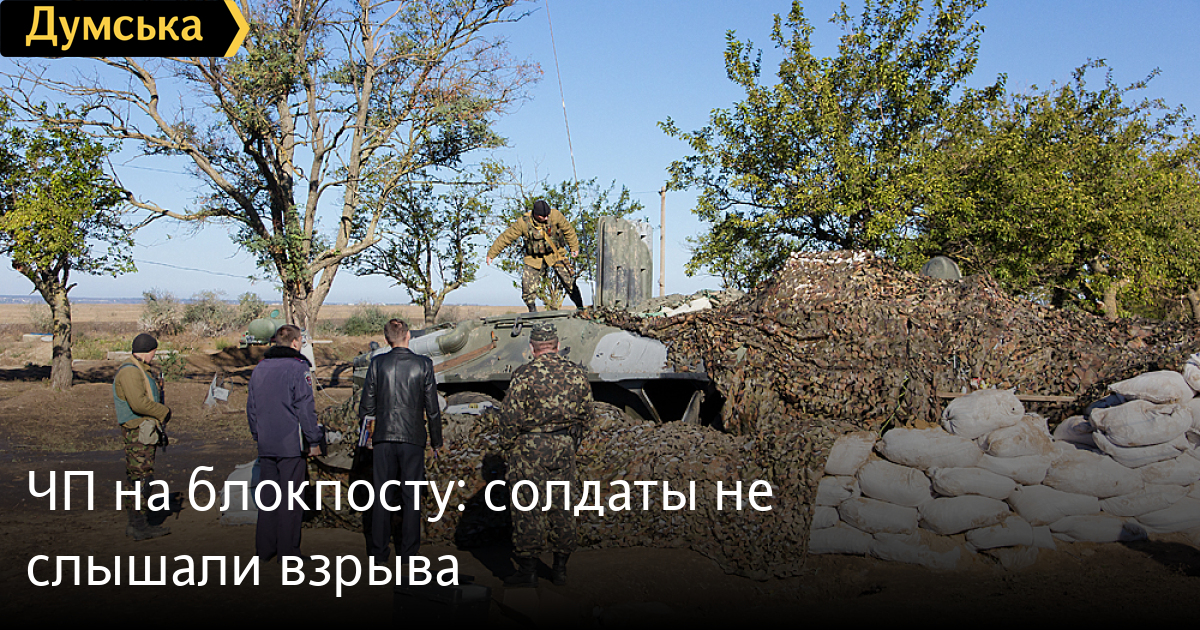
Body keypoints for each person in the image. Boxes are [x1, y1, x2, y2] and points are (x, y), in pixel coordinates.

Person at [499, 323, 593, 587]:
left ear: (532, 348)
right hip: (563, 446)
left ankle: (528, 571)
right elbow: (588, 414)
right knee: (562, 506)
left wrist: (507, 446)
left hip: (529, 448)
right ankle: (560, 568)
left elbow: (510, 418)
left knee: (527, 507)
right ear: (557, 345)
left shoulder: (523, 374)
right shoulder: (576, 373)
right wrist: (572, 441)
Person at [358, 319, 443, 566]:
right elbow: (432, 408)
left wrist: (368, 438)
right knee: (411, 496)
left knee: (382, 495)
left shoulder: (377, 363)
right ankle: (408, 553)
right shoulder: (423, 364)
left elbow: (367, 407)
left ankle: (378, 552)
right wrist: (436, 442)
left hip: (383, 437)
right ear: (408, 336)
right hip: (412, 437)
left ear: (386, 339)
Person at [247, 324, 323, 562]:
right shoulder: (298, 368)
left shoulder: (260, 368)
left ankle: (265, 549)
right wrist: (314, 439)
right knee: (291, 499)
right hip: (290, 444)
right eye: (300, 341)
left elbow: (251, 407)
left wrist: (257, 435)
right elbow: (305, 407)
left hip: (266, 443)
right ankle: (288, 552)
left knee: (268, 498)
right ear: (295, 342)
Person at [113, 332, 172, 540]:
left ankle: (137, 523)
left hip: (143, 431)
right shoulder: (130, 371)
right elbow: (138, 403)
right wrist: (164, 412)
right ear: (149, 351)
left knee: (139, 477)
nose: (154, 356)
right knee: (141, 478)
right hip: (137, 433)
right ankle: (139, 525)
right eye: (154, 352)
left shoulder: (139, 369)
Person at [486, 199, 584, 312]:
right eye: (543, 216)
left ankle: (580, 308)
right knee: (527, 287)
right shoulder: (523, 223)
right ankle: (532, 312)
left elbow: (568, 230)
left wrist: (574, 247)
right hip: (534, 258)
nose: (546, 218)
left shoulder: (555, 215)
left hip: (555, 254)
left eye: (547, 215)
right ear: (536, 215)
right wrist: (492, 254)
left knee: (569, 281)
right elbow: (507, 237)